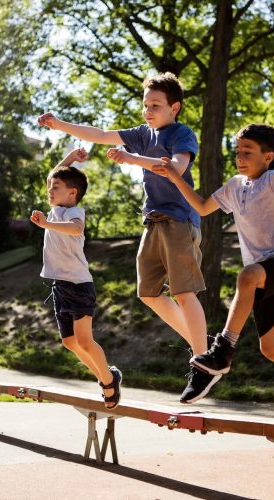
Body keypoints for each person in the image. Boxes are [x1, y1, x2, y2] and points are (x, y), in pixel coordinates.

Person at [150, 124, 274, 428]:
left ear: (268, 156)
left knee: (247, 275)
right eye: (238, 152)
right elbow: (202, 208)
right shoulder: (234, 186)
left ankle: (221, 352)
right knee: (270, 348)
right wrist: (176, 177)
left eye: (248, 153)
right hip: (259, 277)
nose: (240, 158)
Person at [37, 72, 218, 403]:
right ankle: (201, 344)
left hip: (179, 219)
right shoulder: (140, 133)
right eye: (145, 105)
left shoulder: (181, 133)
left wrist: (133, 159)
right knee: (148, 293)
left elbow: (176, 167)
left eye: (156, 106)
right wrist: (60, 125)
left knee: (182, 291)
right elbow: (102, 134)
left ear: (174, 108)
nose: (148, 111)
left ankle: (204, 362)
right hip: (152, 222)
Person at [30, 147, 122, 410]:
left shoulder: (73, 213)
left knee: (84, 340)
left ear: (72, 193)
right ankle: (107, 376)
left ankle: (108, 381)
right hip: (61, 286)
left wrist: (46, 225)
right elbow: (54, 174)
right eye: (49, 187)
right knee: (69, 342)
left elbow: (75, 230)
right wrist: (70, 157)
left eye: (55, 188)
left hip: (80, 285)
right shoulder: (56, 207)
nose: (50, 190)